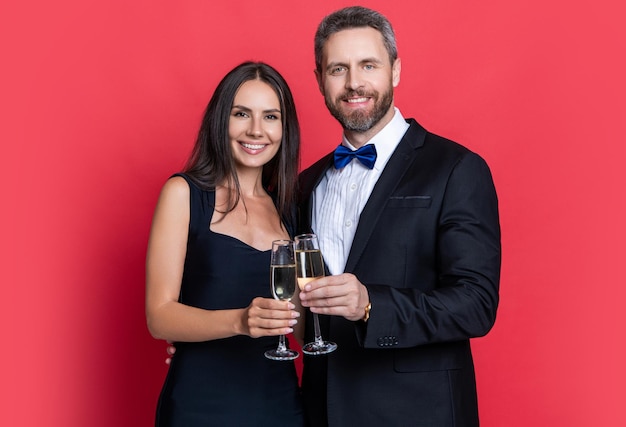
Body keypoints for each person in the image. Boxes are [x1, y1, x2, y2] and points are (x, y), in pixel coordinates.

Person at [296, 6, 501, 427]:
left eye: (368, 65)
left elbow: (476, 304)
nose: (354, 83)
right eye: (338, 68)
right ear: (320, 80)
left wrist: (371, 303)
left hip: (420, 412)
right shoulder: (306, 184)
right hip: (322, 411)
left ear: (395, 70)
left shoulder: (457, 169)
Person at [145, 61, 304, 426]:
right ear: (221, 120)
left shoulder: (292, 210)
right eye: (241, 113)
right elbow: (159, 316)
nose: (256, 130)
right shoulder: (184, 194)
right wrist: (240, 322)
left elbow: (300, 323)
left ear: (285, 128)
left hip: (279, 403)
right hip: (199, 404)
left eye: (270, 117)